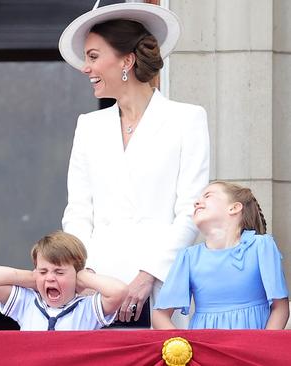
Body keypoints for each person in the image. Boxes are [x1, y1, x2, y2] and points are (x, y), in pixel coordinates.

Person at [58, 2, 210, 327]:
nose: (85, 67)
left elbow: (190, 212)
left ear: (127, 60)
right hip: (98, 291)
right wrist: (88, 275)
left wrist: (149, 275)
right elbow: (79, 211)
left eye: (94, 56)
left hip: (160, 289)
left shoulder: (187, 119)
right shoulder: (88, 125)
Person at [152, 182, 289, 329]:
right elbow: (160, 315)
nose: (197, 202)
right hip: (205, 348)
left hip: (251, 346)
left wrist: (261, 347)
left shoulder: (261, 246)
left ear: (234, 208)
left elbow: (280, 308)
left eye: (208, 195)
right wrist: (182, 347)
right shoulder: (189, 257)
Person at [0, 231, 127, 330]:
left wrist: (83, 277)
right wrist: (32, 278)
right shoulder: (27, 303)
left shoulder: (87, 309)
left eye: (59, 272)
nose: (49, 278)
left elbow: (119, 291)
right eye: (43, 271)